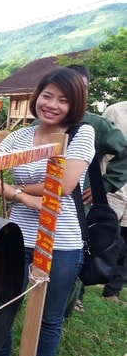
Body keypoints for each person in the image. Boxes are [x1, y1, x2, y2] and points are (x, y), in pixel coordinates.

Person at [0, 67, 94, 356]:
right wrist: (23, 197)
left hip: (61, 241)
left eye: (63, 100)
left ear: (74, 105)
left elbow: (64, 184)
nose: (52, 104)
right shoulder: (19, 137)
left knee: (48, 317)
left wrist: (14, 187)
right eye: (47, 95)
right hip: (16, 235)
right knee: (1, 304)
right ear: (36, 96)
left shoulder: (80, 134)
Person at [62, 64, 127, 313]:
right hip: (42, 200)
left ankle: (68, 304)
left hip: (80, 203)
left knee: (78, 250)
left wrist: (107, 183)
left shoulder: (96, 124)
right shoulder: (41, 120)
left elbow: (124, 153)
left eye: (82, 89)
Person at [101, 100, 127, 302]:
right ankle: (79, 293)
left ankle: (113, 290)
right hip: (113, 189)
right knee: (98, 237)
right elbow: (97, 147)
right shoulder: (115, 111)